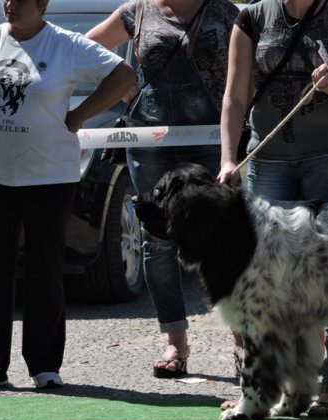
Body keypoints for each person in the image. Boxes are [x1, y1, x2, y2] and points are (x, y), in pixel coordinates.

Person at [0, 0, 135, 391]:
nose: (10, 5)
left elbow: (122, 74)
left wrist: (79, 116)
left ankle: (44, 366)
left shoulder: (66, 45)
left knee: (44, 269)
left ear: (42, 4)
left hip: (49, 177)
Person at [218, 0, 328, 416]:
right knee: (267, 288)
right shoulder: (251, 17)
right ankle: (269, 388)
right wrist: (227, 159)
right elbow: (235, 98)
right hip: (267, 165)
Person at [86, 0, 238, 379]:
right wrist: (128, 89)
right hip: (149, 140)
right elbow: (87, 48)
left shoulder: (225, 11)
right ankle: (175, 342)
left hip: (211, 136)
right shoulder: (136, 11)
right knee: (158, 241)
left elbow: (249, 63)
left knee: (222, 241)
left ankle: (243, 342)